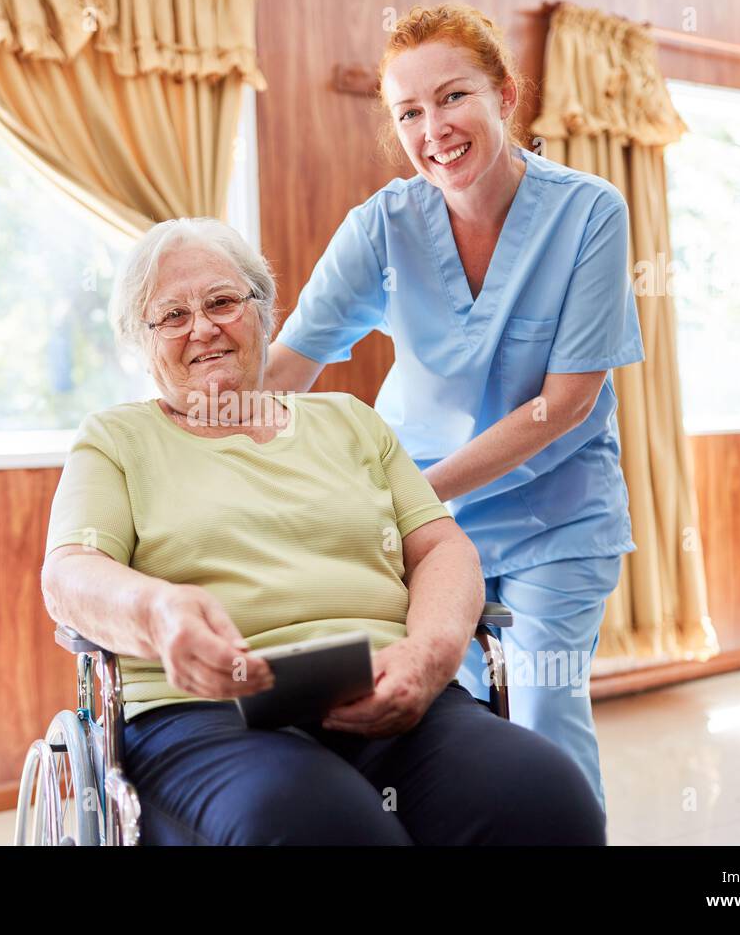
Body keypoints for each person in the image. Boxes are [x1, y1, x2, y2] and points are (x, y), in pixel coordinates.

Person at [41, 216, 606, 845]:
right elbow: (71, 574)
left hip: (387, 683)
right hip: (204, 712)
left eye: (223, 302)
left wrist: (427, 656)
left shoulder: (349, 421)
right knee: (321, 826)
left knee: (544, 797)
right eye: (171, 316)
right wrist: (158, 611)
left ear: (264, 314)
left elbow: (441, 547)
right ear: (139, 343)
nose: (202, 328)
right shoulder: (116, 439)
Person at [264, 4, 645, 813]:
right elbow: (289, 365)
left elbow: (567, 402)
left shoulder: (588, 214)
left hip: (555, 517)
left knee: (543, 710)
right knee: (453, 727)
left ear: (506, 96)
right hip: (429, 530)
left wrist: (415, 492)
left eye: (453, 97)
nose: (432, 127)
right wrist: (197, 443)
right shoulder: (382, 228)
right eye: (408, 111)